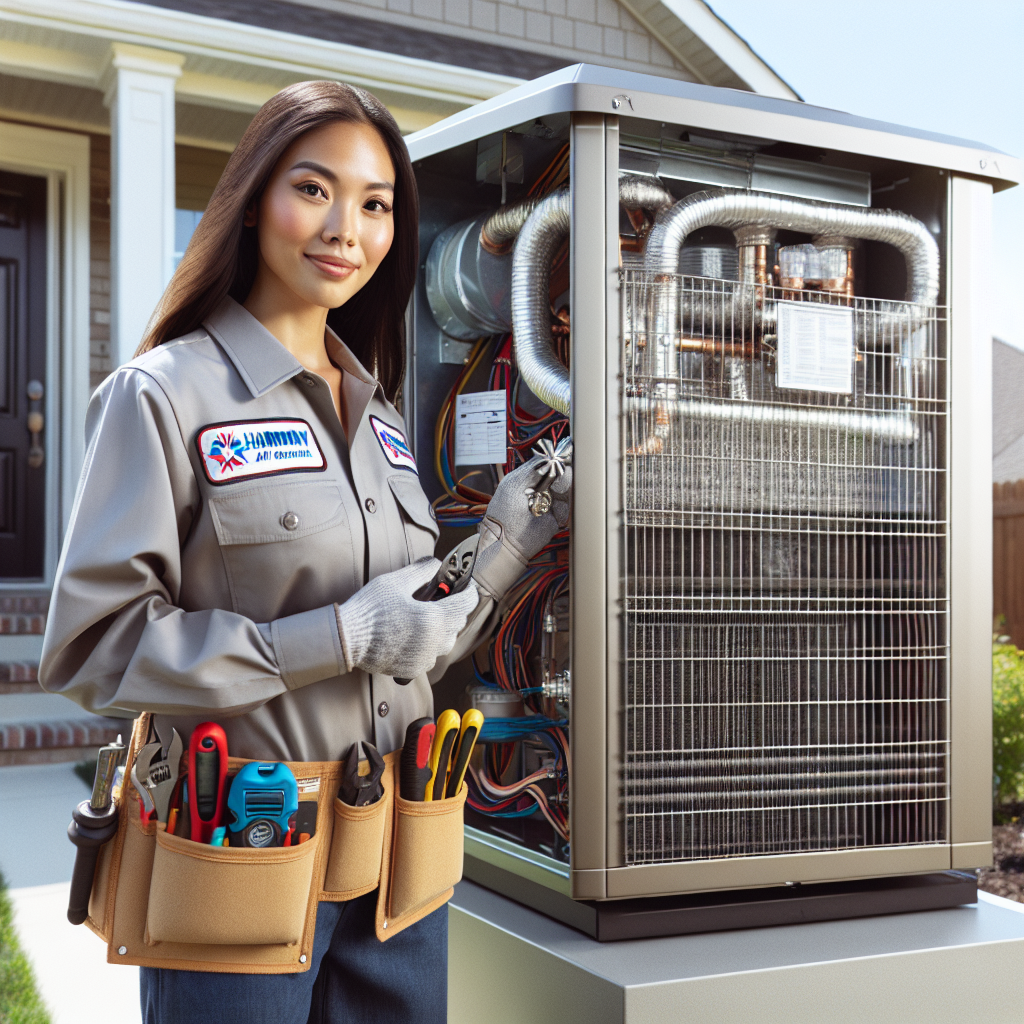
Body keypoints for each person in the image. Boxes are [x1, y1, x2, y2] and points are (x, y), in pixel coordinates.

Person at [39, 80, 571, 1024]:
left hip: (398, 867)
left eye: (375, 205)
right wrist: (340, 635)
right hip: (245, 851)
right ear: (253, 203)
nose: (346, 229)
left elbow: (415, 642)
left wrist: (506, 542)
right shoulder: (163, 396)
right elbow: (94, 648)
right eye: (314, 189)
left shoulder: (384, 420)